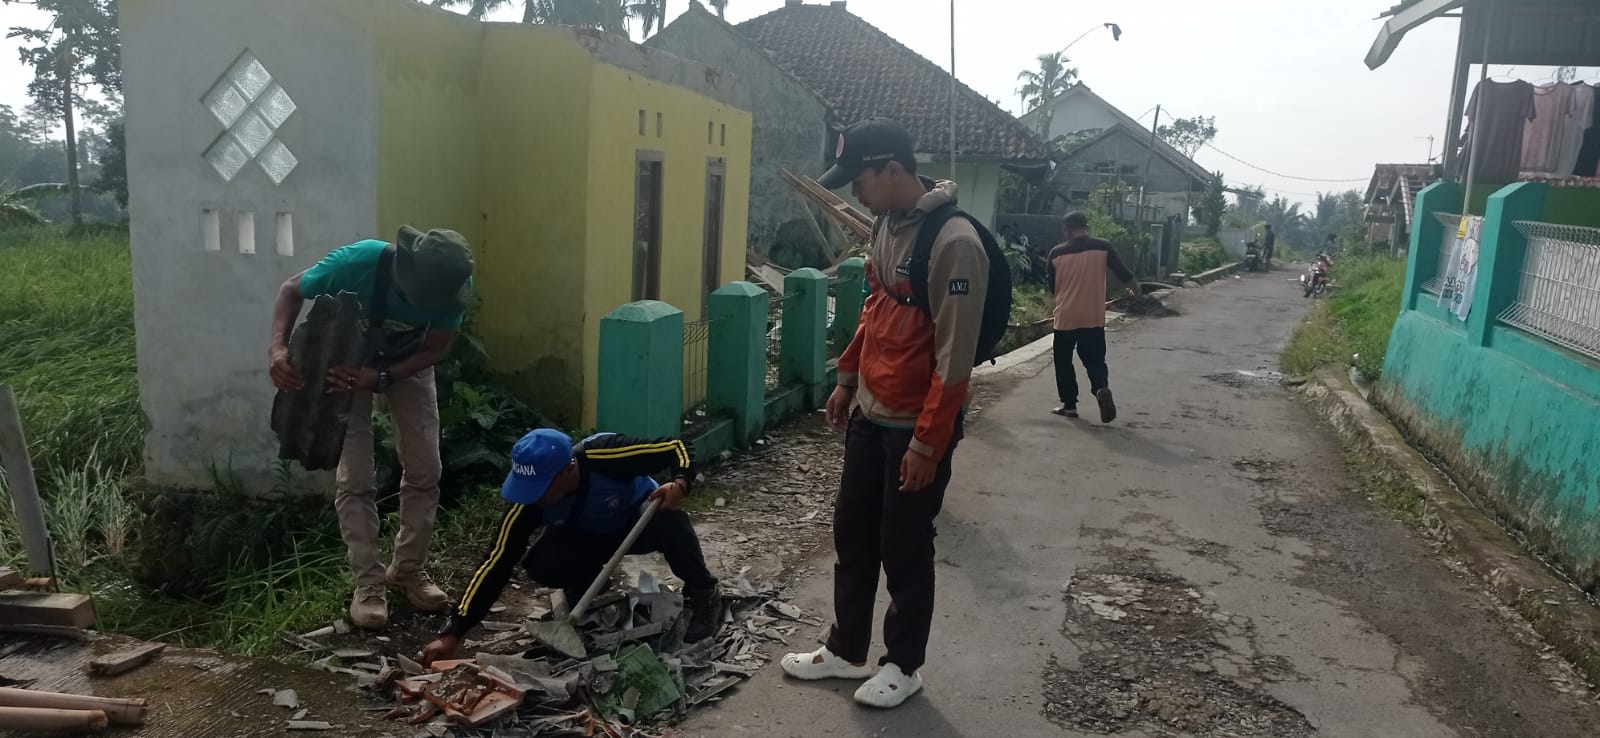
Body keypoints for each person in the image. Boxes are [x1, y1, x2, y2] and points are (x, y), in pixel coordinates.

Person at [779, 117, 989, 709]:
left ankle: (904, 664)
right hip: (872, 415)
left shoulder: (954, 244)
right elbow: (876, 308)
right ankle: (847, 650)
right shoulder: (884, 227)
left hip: (916, 427)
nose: (853, 192)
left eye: (860, 180)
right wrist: (847, 378)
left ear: (892, 170)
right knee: (853, 533)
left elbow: (955, 356)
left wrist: (928, 443)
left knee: (904, 545)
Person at [269, 226, 474, 629]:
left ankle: (408, 571)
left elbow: (435, 348)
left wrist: (380, 377)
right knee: (356, 475)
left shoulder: (453, 283)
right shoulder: (356, 262)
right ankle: (369, 584)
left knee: (425, 469)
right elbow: (291, 289)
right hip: (342, 364)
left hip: (405, 363)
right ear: (406, 268)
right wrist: (277, 347)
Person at [418, 429, 721, 666]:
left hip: (639, 522)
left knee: (673, 523)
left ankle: (704, 593)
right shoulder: (528, 504)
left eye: (541, 489)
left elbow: (676, 447)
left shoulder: (606, 454)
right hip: (589, 536)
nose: (533, 498)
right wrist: (454, 631)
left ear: (568, 470)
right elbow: (495, 563)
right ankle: (589, 590)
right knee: (542, 562)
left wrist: (681, 483)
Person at [1046, 211, 1139, 423]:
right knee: (1094, 359)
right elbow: (1124, 274)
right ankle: (1100, 388)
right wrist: (1136, 291)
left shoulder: (1056, 253)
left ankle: (1069, 406)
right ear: (1085, 227)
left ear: (1068, 229)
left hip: (1065, 316)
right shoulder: (1102, 247)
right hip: (1093, 315)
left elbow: (1052, 287)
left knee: (1063, 361)